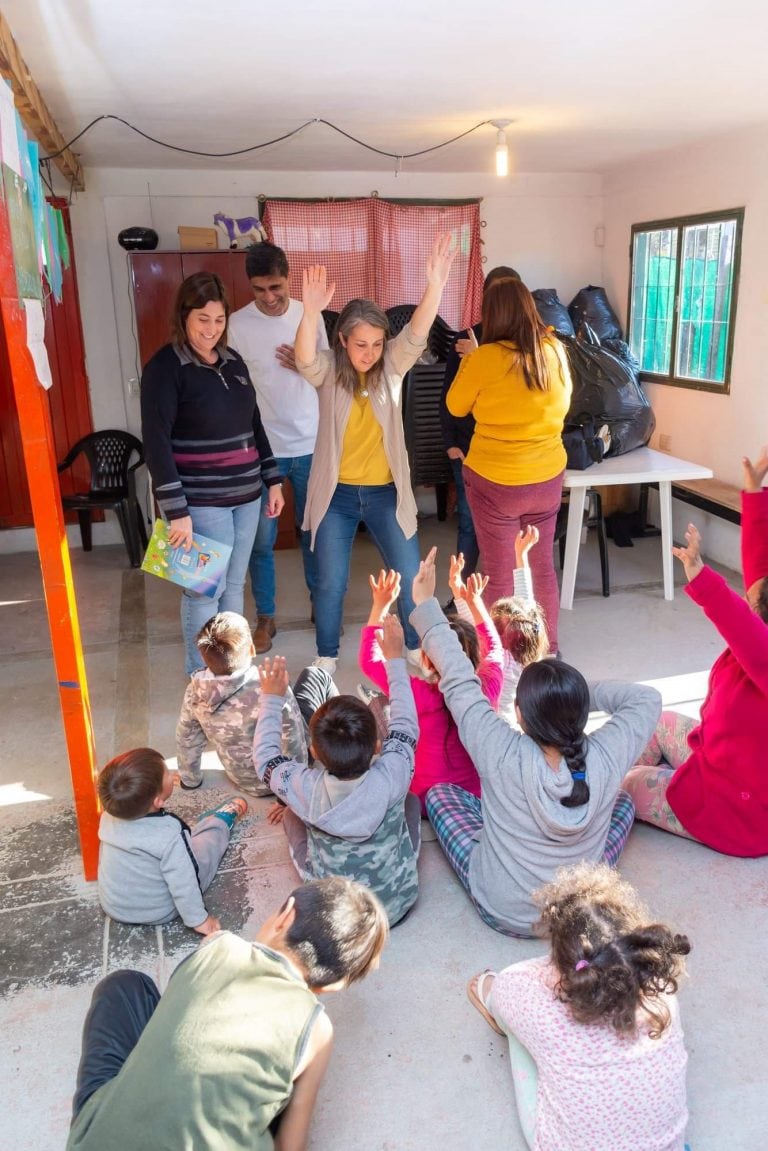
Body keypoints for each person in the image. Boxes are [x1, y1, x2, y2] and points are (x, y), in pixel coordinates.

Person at [410, 548, 662, 936]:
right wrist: (572, 696)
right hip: (577, 911)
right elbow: (646, 699)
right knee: (624, 800)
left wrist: (425, 605)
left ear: (521, 715)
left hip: (502, 909)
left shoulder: (497, 747)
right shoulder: (607, 753)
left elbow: (458, 679)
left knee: (442, 796)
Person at [66, 876, 388, 1151]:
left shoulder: (218, 945)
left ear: (285, 917)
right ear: (336, 985)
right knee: (274, 1093)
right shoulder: (317, 1029)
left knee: (124, 985)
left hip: (97, 1142)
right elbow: (291, 1146)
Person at [293, 232, 458, 675]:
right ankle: (326, 656)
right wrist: (310, 313)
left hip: (386, 493)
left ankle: (409, 647)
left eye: (376, 344)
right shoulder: (329, 371)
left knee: (408, 577)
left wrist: (435, 287)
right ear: (343, 340)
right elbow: (305, 357)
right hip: (337, 496)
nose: (369, 353)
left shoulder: (392, 368)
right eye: (360, 344)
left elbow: (418, 333)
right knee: (329, 582)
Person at [467, 862, 690, 1151]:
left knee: (518, 1029)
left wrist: (549, 972)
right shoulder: (663, 997)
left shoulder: (543, 1013)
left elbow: (502, 985)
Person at [622, 448, 768, 856]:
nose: (749, 588)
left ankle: (594, 801)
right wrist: (755, 494)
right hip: (717, 761)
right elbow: (759, 573)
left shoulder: (761, 650)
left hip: (737, 811)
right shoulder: (761, 629)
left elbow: (736, 617)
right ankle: (601, 773)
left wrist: (703, 579)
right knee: (660, 720)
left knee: (630, 782)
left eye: (751, 598)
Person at [140, 271, 285, 675]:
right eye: (202, 319)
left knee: (234, 587)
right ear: (184, 316)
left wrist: (272, 479)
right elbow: (156, 443)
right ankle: (201, 675)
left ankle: (232, 671)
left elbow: (254, 427)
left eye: (219, 320)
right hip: (200, 505)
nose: (211, 329)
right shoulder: (164, 368)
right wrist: (177, 510)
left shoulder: (233, 362)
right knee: (205, 591)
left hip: (247, 497)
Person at [253, 616, 421, 926]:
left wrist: (271, 698)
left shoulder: (304, 787)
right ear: (377, 746)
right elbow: (405, 724)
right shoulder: (394, 770)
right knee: (410, 799)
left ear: (314, 753)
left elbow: (265, 760)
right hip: (397, 902)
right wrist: (395, 661)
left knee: (291, 812)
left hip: (337, 913)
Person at [446, 276, 572, 654]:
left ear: (492, 315)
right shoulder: (554, 350)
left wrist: (472, 360)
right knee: (541, 566)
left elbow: (456, 406)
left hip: (495, 480)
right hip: (547, 478)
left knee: (500, 570)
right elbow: (566, 401)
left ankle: (500, 655)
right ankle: (547, 649)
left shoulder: (485, 357)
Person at [228, 243, 330, 653]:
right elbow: (234, 386)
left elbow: (328, 369)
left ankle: (320, 606)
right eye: (259, 290)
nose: (269, 298)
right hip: (262, 450)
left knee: (314, 535)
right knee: (261, 541)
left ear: (288, 278)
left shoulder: (310, 313)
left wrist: (305, 363)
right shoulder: (236, 324)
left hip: (310, 443)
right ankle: (265, 618)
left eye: (276, 287)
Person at [359, 566, 503, 811]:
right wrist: (473, 601)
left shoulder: (418, 692)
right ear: (477, 656)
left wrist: (380, 606)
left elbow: (369, 661)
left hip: (422, 801)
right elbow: (495, 649)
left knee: (381, 707)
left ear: (425, 660)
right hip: (473, 797)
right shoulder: (487, 689)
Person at [96, 747, 247, 935]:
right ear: (158, 801)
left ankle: (207, 825)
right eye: (167, 773)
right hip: (160, 911)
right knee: (204, 849)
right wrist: (199, 920)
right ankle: (221, 819)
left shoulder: (108, 816)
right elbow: (184, 882)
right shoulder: (170, 832)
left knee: (179, 847)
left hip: (115, 907)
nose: (172, 774)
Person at [440, 265, 522, 586]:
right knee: (468, 522)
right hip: (469, 449)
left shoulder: (526, 346)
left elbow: (516, 396)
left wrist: (479, 357)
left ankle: (508, 596)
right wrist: (450, 442)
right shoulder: (464, 338)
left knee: (509, 531)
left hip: (510, 455)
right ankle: (461, 593)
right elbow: (448, 396)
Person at [175, 611, 307, 796]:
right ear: (252, 649)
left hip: (241, 779)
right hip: (277, 783)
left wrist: (190, 780)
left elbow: (187, 738)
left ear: (203, 656)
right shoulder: (269, 688)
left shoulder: (195, 692)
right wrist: (290, 795)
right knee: (313, 679)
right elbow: (293, 742)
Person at [452, 525, 548, 725]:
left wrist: (461, 593)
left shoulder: (496, 659)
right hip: (510, 724)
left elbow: (476, 627)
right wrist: (521, 555)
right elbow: (526, 602)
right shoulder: (528, 655)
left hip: (487, 726)